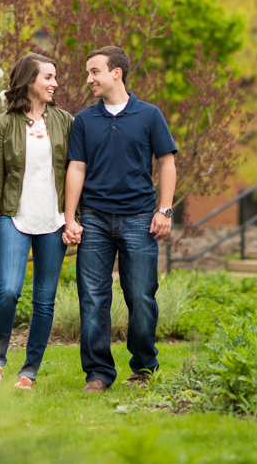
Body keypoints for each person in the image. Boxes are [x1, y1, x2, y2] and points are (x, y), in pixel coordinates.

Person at [63, 45, 177, 393]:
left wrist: (165, 209)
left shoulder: (149, 115)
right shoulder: (84, 120)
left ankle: (143, 367)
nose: (89, 79)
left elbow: (167, 162)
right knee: (93, 298)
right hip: (95, 219)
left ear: (117, 72)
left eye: (94, 71)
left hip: (141, 217)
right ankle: (98, 374)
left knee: (141, 296)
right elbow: (76, 168)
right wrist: (70, 218)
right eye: (88, 72)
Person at [0, 53, 73, 390]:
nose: (54, 83)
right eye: (48, 77)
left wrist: (74, 219)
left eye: (55, 77)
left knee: (44, 300)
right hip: (13, 218)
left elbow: (77, 174)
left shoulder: (65, 121)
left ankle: (29, 371)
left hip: (54, 220)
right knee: (8, 291)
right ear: (30, 80)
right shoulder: (4, 124)